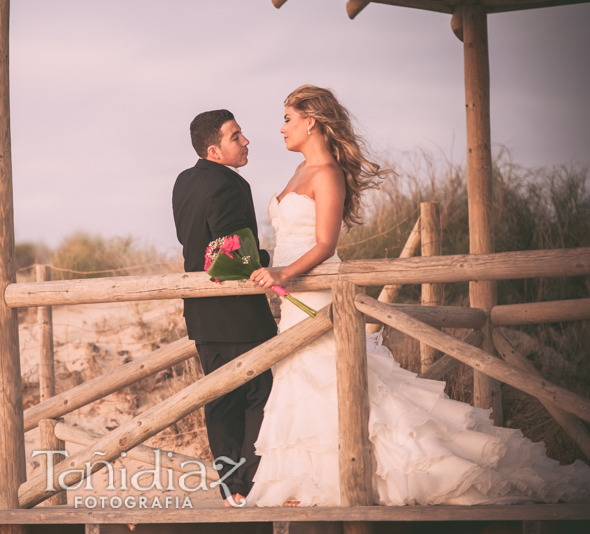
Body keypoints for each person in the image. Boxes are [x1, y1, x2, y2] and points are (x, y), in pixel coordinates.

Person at [246, 85, 590, 507]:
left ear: (310, 121)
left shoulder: (328, 174)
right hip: (294, 300)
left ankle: (354, 478)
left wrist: (283, 272)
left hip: (318, 290)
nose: (281, 128)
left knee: (330, 378)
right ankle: (304, 481)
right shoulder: (298, 172)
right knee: (300, 378)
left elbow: (323, 244)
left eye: (287, 118)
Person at [172, 109, 277, 507]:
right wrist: (269, 257)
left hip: (200, 310)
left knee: (220, 398)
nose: (246, 141)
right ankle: (251, 484)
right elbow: (231, 255)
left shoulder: (184, 181)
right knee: (258, 393)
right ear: (215, 150)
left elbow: (196, 246)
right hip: (237, 313)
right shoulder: (230, 184)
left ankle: (231, 487)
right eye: (237, 137)